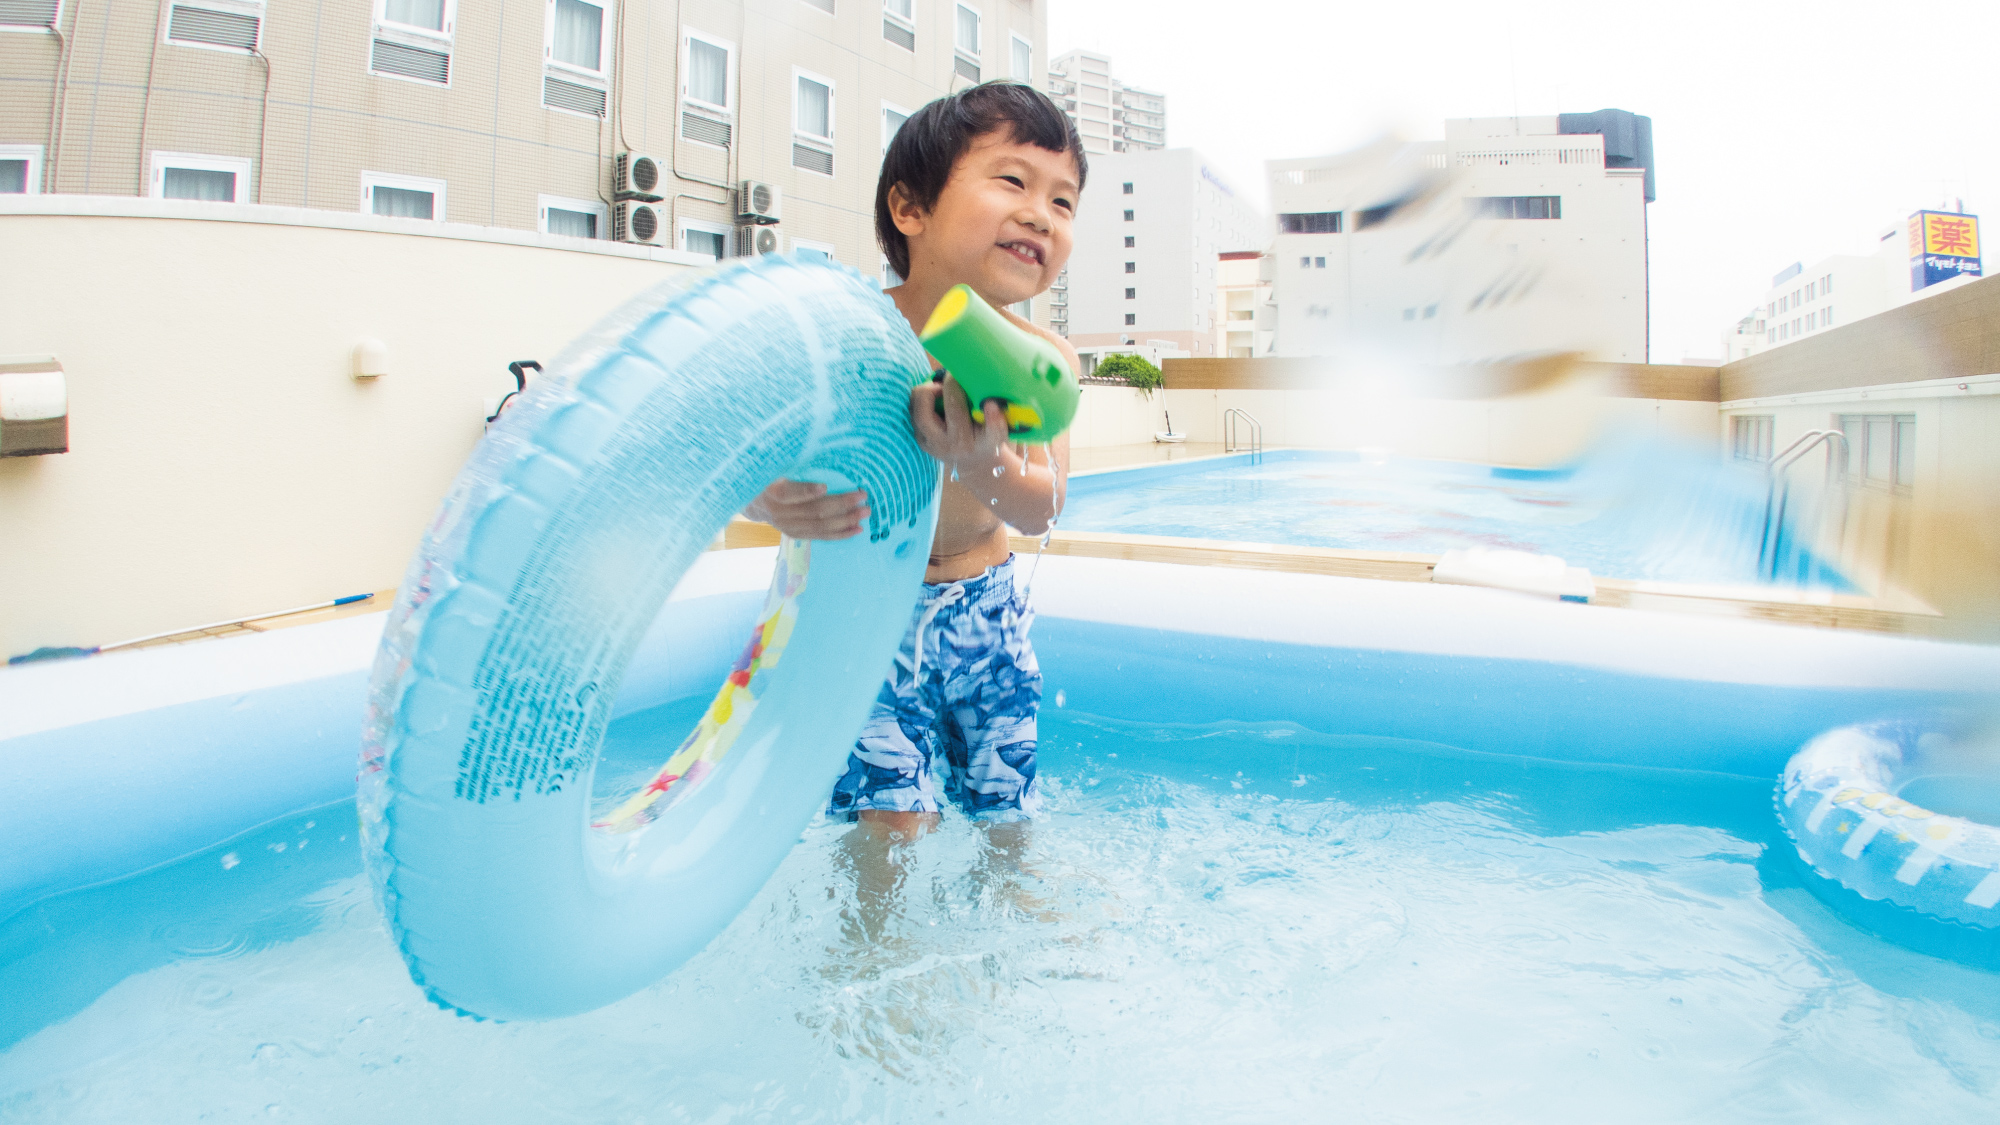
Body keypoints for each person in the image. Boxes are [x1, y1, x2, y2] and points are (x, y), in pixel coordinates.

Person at [743, 82, 1085, 881]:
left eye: (1063, 201)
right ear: (911, 209)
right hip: (865, 613)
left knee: (1008, 806)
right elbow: (748, 450)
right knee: (889, 822)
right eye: (1012, 181)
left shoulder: (1042, 363)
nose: (1041, 213)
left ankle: (1016, 922)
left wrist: (977, 459)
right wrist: (759, 497)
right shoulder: (847, 337)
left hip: (986, 613)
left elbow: (1044, 506)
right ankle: (875, 964)